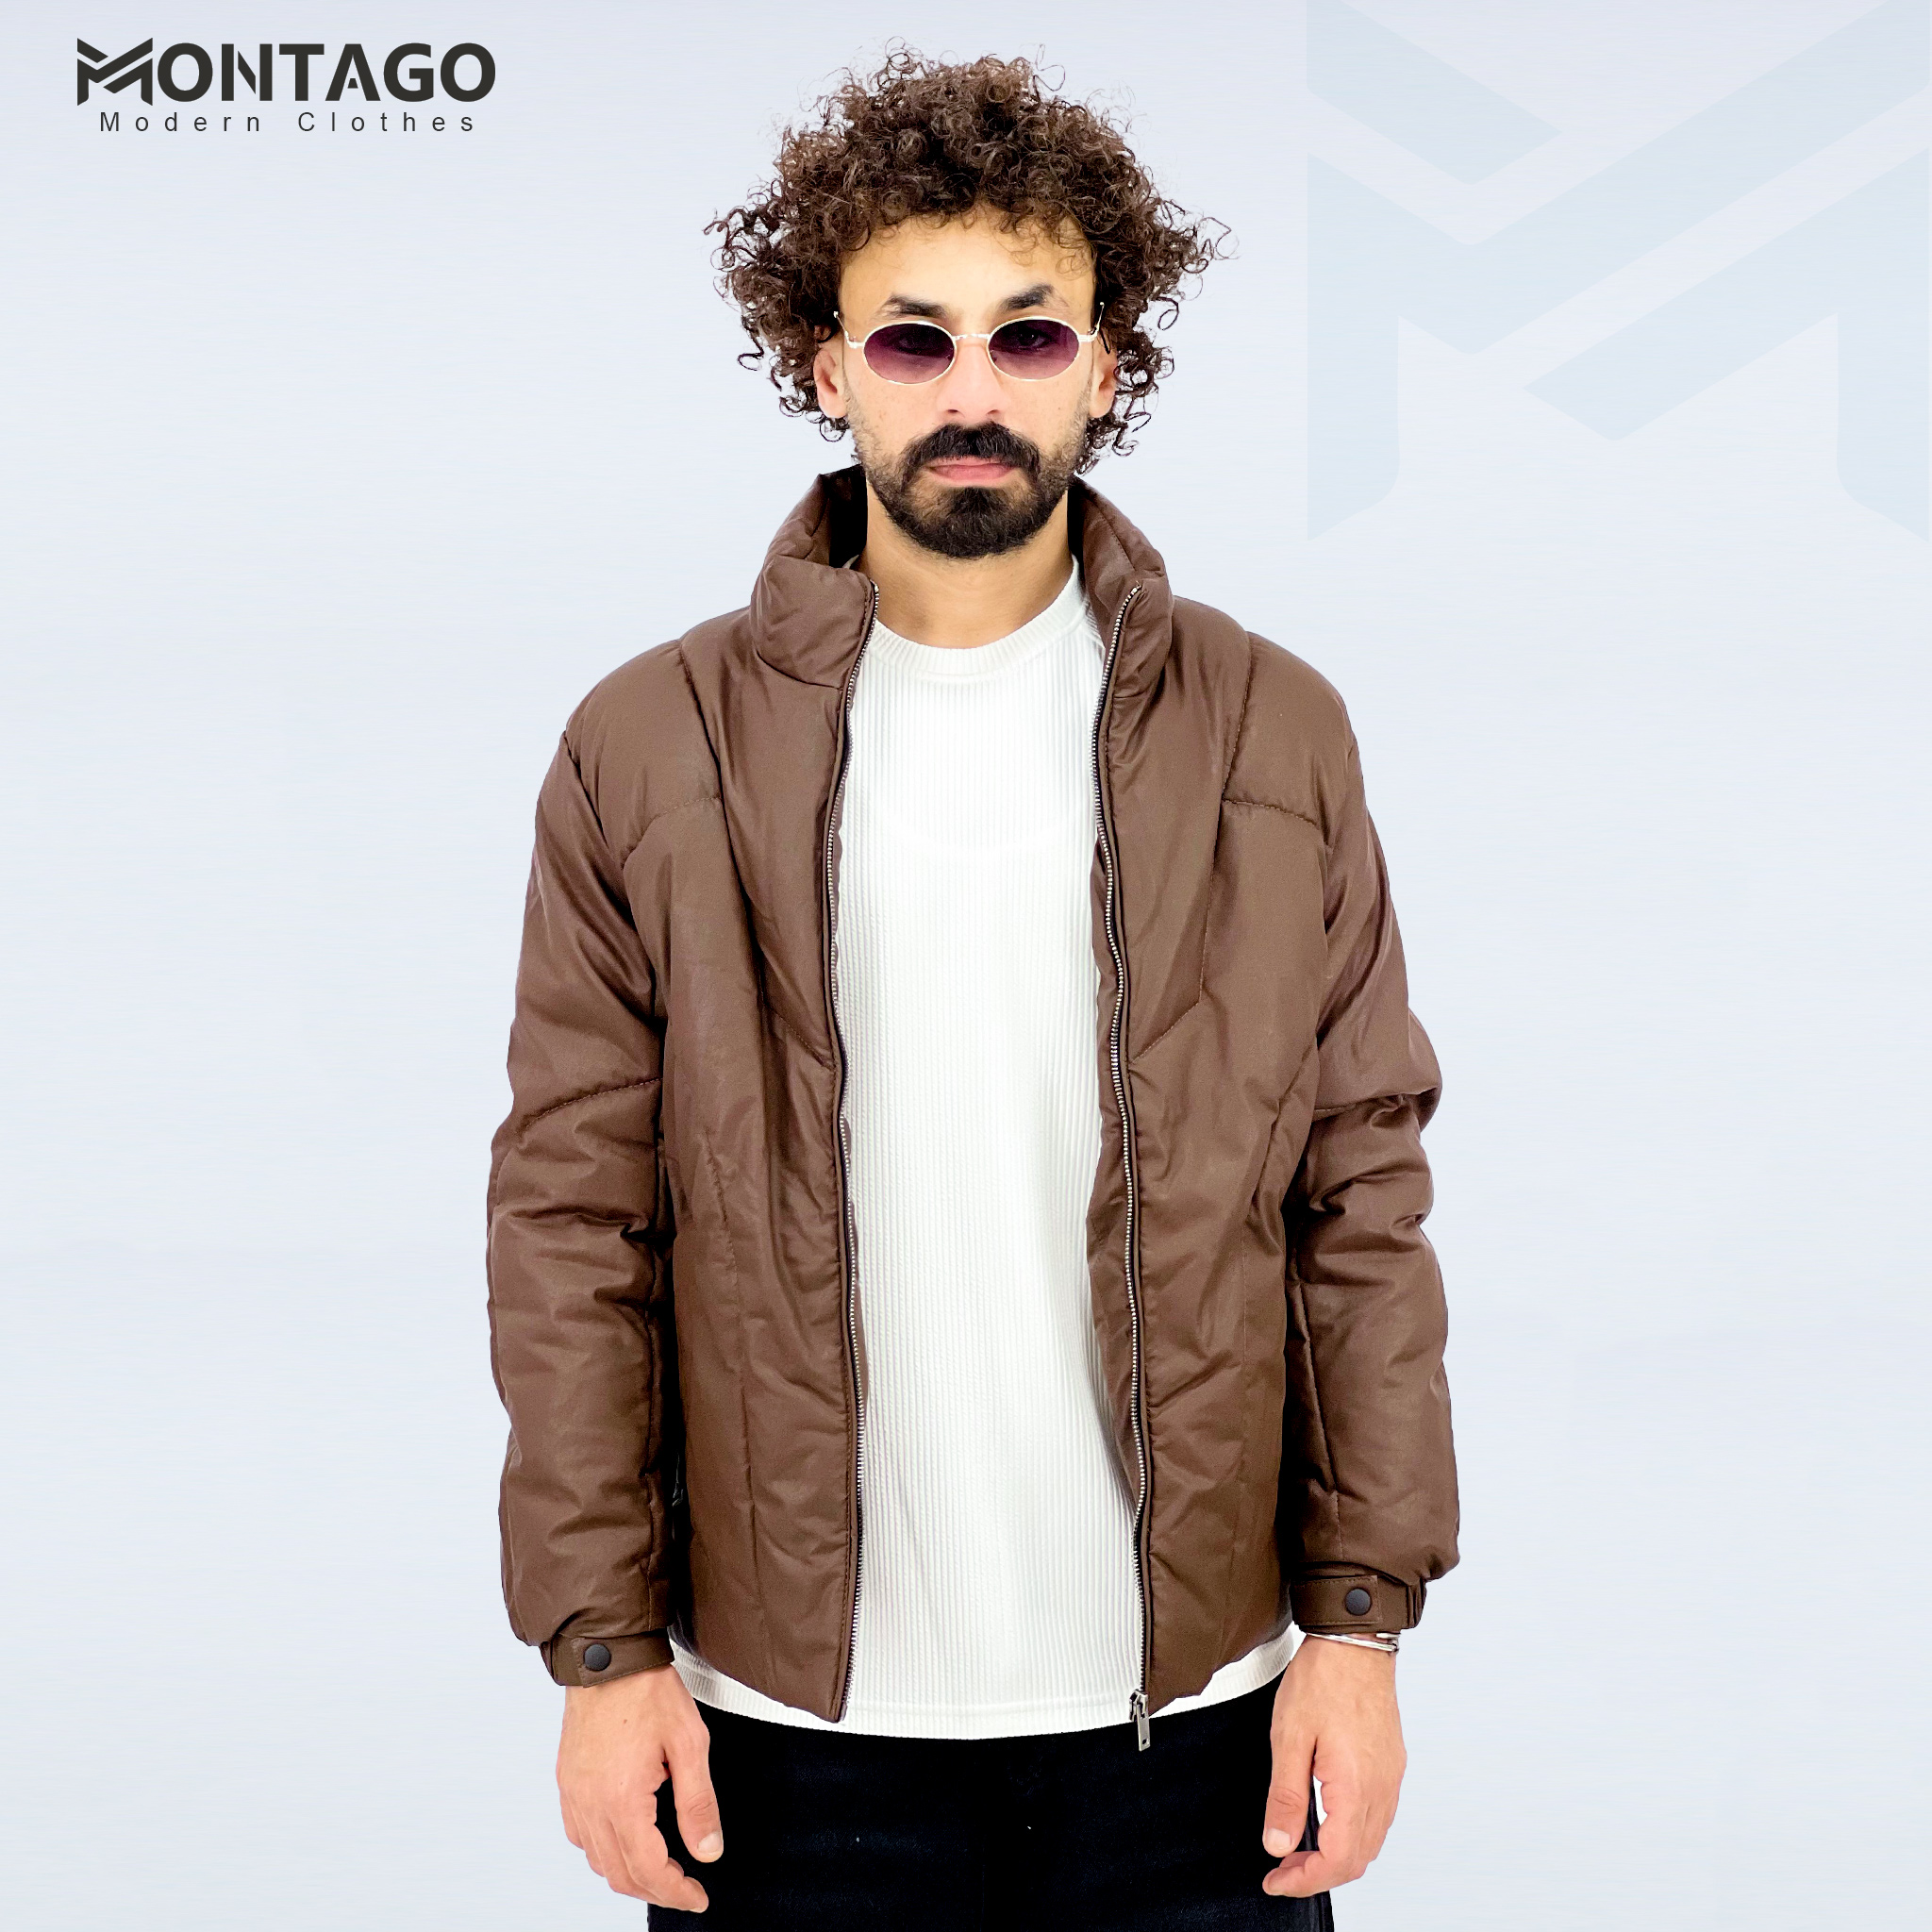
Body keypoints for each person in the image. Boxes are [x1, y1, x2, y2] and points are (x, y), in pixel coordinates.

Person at [485, 45, 1458, 1927]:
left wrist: (1359, 1629)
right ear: (827, 368)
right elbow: (571, 1225)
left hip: (1201, 1730)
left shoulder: (1271, 730)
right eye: (912, 340)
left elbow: (1361, 1194)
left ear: (1108, 367)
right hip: (780, 1738)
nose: (971, 392)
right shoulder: (650, 744)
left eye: (1027, 336)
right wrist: (604, 1656)